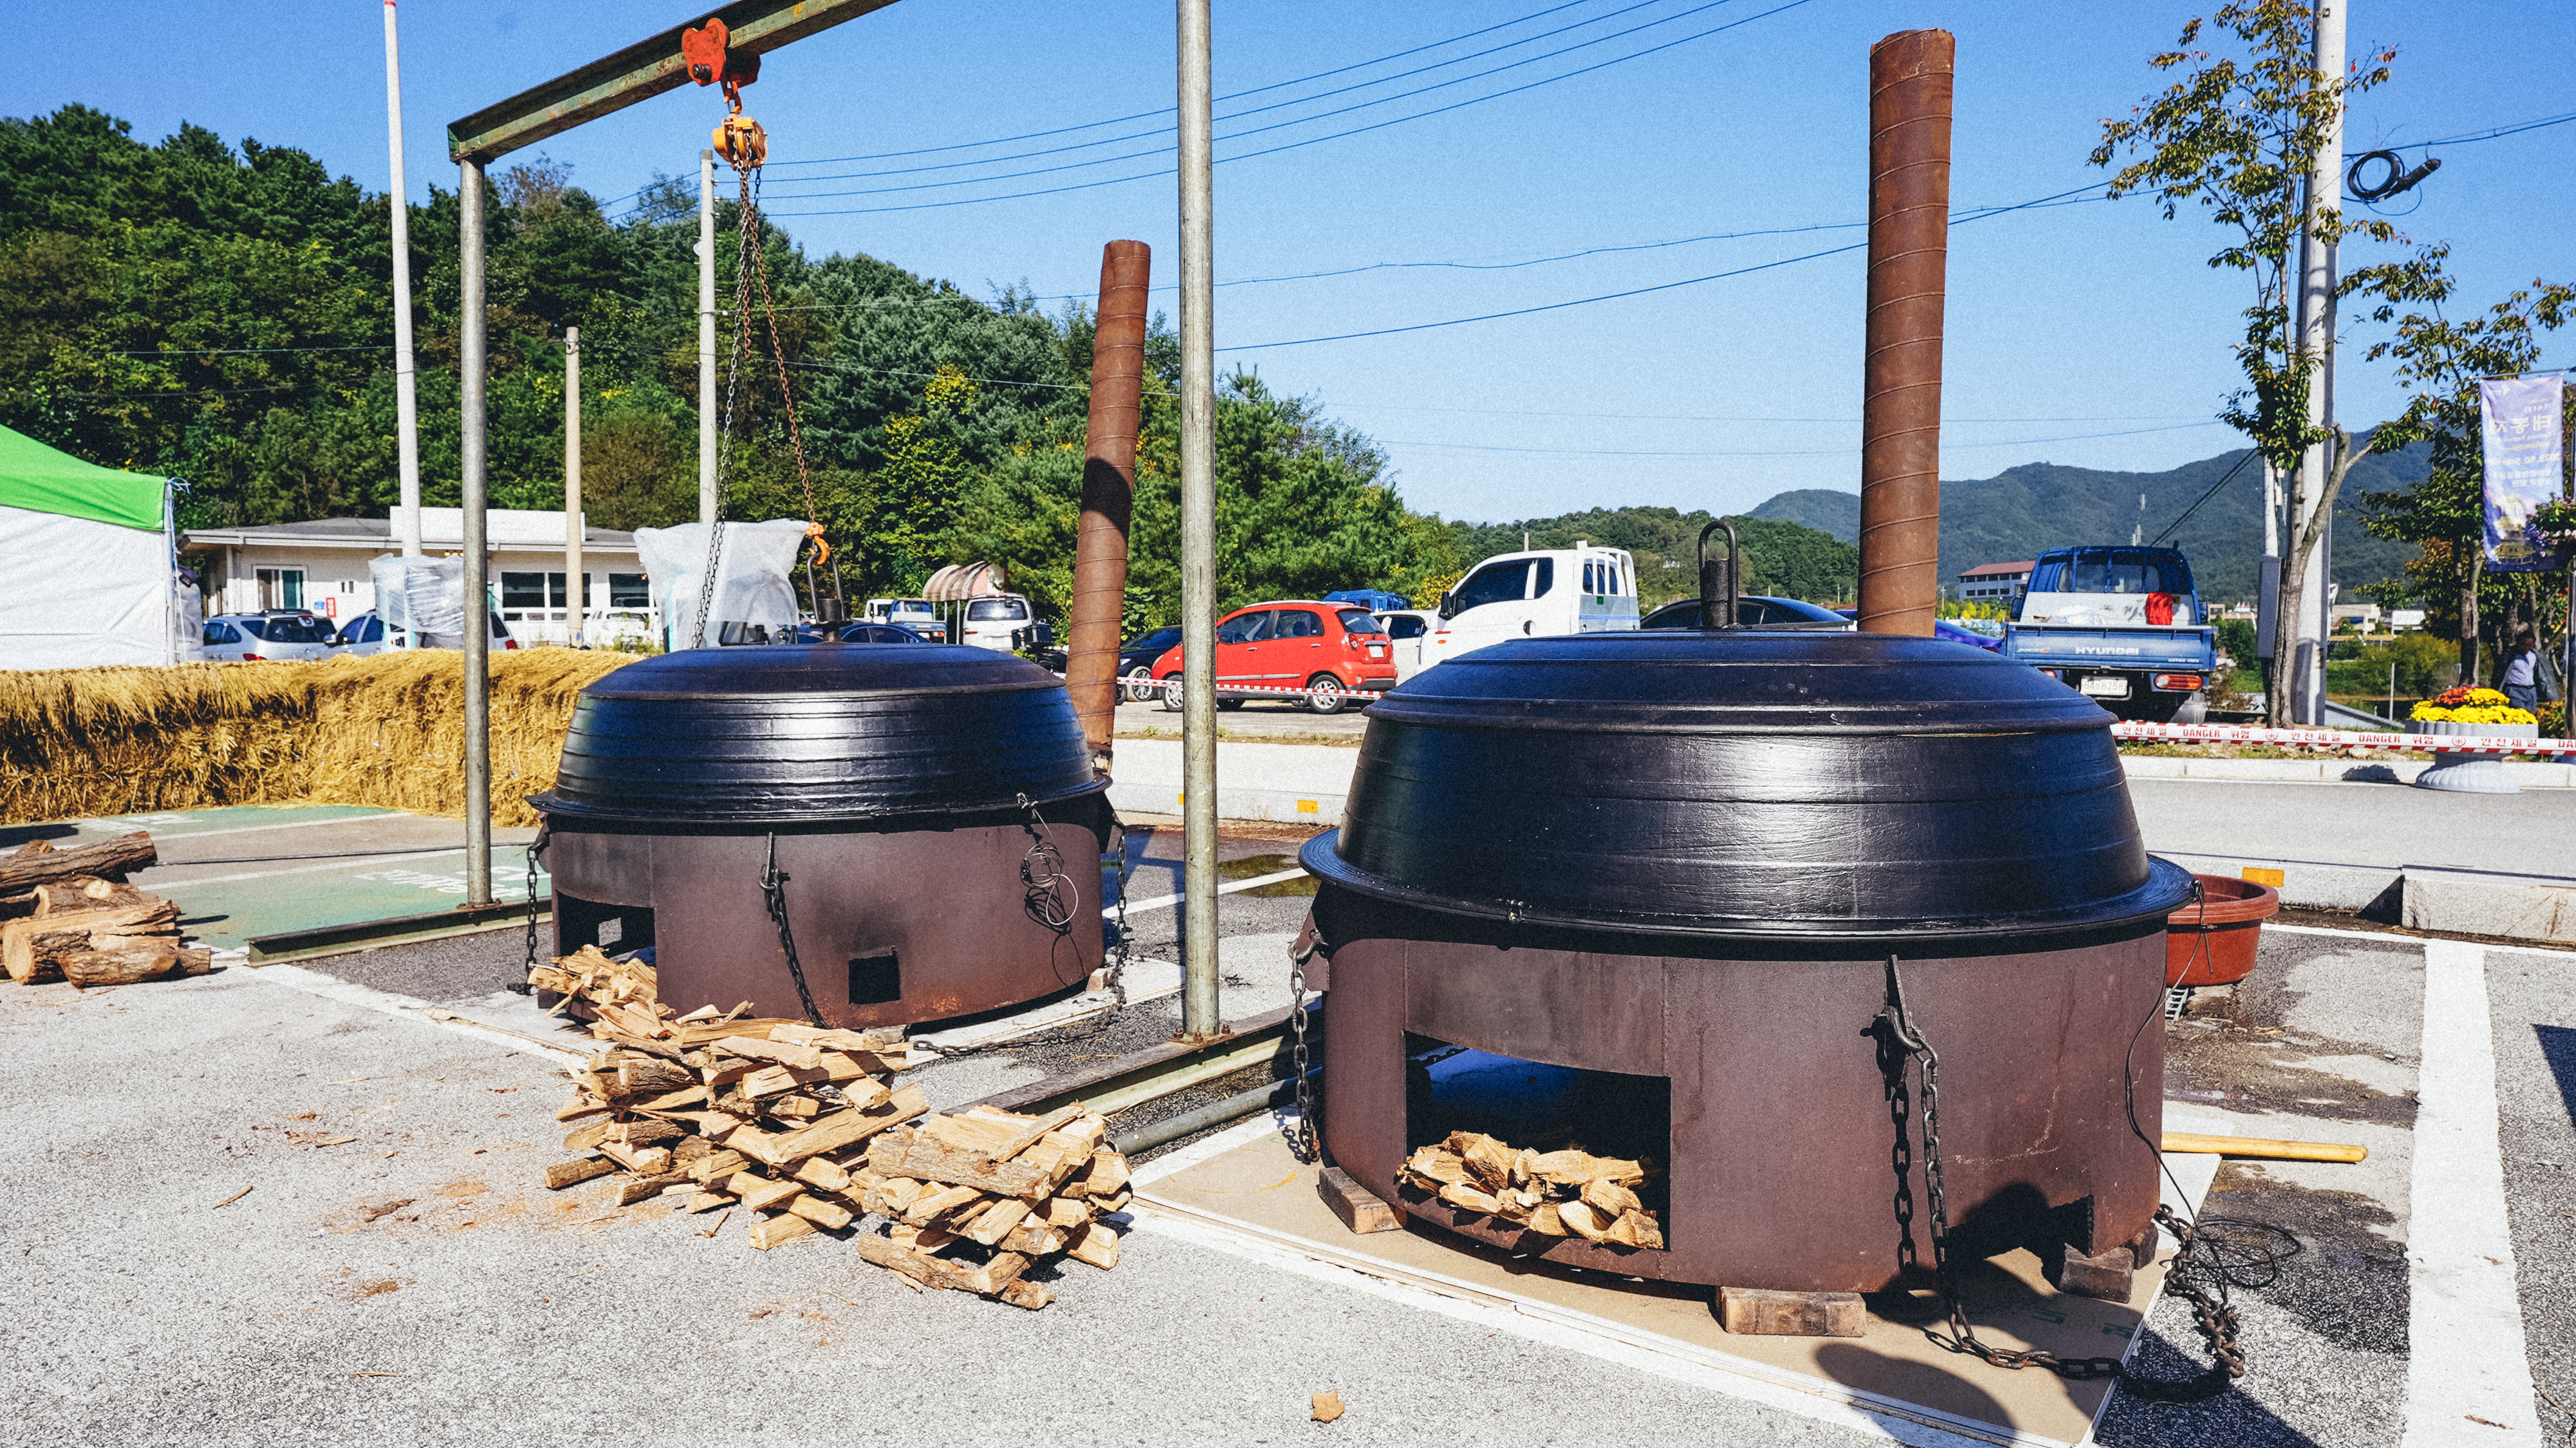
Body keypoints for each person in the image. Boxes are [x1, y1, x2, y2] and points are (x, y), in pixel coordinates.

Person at [2499, 628, 2542, 715]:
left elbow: (2542, 675)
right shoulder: (2510, 656)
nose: (2526, 648)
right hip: (2515, 690)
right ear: (2518, 643)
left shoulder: (2534, 656)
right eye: (2523, 645)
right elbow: (2500, 673)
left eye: (2529, 645)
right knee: (2519, 715)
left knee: (2531, 717)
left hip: (2531, 691)